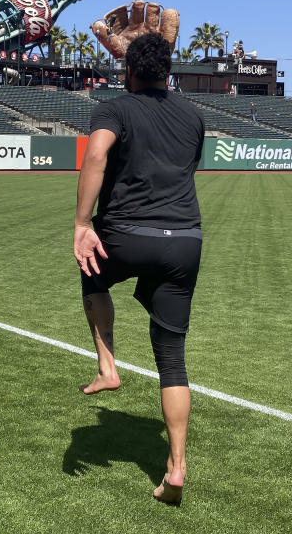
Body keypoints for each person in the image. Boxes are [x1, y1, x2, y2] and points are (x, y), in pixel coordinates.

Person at [74, 33, 204, 505]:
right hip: (185, 241)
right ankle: (176, 467)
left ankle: (108, 365)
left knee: (91, 269)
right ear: (169, 72)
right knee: (172, 360)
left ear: (127, 72)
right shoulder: (193, 114)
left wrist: (82, 222)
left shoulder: (114, 109)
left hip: (127, 237)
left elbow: (95, 154)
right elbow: (189, 164)